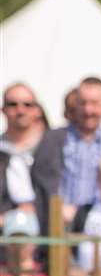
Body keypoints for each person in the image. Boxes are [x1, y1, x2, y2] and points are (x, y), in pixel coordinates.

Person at [30, 76, 101, 222]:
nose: (88, 110)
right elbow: (43, 182)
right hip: (62, 222)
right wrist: (59, 209)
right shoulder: (54, 138)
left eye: (94, 103)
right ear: (75, 105)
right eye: (83, 103)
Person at [2, 83, 46, 226]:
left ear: (37, 110)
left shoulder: (52, 147)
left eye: (27, 104)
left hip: (47, 234)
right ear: (3, 109)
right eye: (13, 104)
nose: (20, 110)